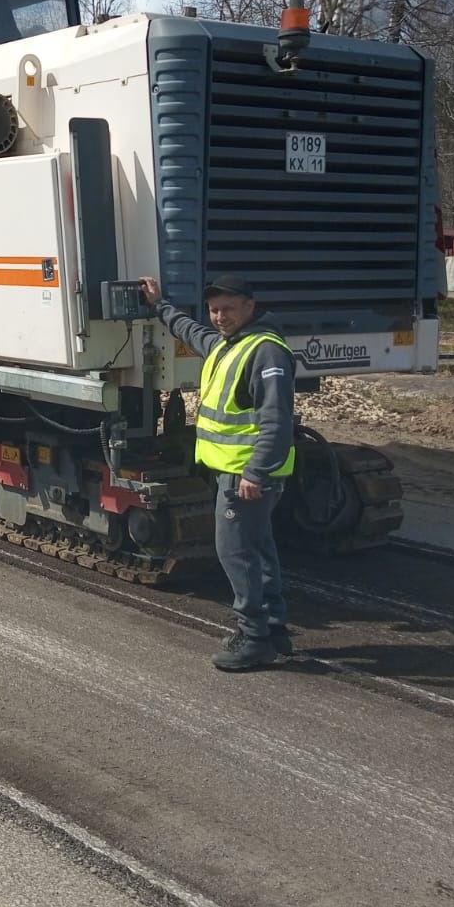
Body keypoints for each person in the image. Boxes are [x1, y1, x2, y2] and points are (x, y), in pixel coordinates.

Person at [138, 272, 297, 671]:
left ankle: (254, 636)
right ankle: (273, 628)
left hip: (246, 477)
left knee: (235, 552)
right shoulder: (229, 345)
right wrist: (160, 304)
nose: (219, 316)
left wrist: (256, 473)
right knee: (258, 548)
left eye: (228, 308)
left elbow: (277, 421)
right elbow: (190, 332)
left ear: (250, 306)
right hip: (236, 473)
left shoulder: (265, 352)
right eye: (214, 309)